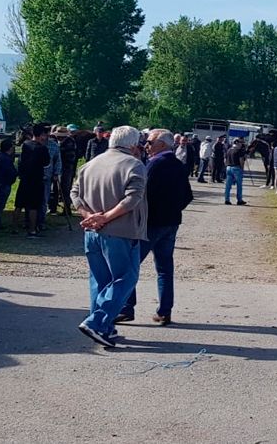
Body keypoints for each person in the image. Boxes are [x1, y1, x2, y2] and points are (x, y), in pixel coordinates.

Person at [71, 125, 148, 348]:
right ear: (133, 145)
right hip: (120, 230)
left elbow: (75, 193)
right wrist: (105, 217)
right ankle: (97, 322)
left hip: (92, 230)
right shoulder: (134, 165)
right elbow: (132, 199)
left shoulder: (90, 164)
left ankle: (104, 327)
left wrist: (89, 215)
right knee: (126, 277)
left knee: (99, 280)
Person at [118, 129, 193, 326]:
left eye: (150, 142)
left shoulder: (154, 164)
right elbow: (188, 195)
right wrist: (173, 209)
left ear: (162, 144)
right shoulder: (178, 164)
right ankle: (164, 311)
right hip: (171, 222)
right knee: (165, 269)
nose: (146, 146)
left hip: (151, 224)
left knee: (129, 265)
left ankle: (126, 307)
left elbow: (142, 193)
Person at [16, 125, 51, 238]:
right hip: (36, 179)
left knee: (19, 204)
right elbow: (46, 163)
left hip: (24, 178)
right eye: (44, 135)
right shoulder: (42, 148)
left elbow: (20, 161)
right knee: (33, 206)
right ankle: (32, 230)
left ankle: (14, 228)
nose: (45, 137)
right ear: (41, 135)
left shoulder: (25, 145)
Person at [0, 139, 18, 229]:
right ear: (10, 148)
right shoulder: (6, 159)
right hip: (3, 183)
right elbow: (9, 172)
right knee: (0, 203)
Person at [57, 127, 79, 216]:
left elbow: (70, 157)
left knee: (65, 188)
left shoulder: (69, 142)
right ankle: (65, 208)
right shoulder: (63, 142)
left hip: (67, 168)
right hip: (63, 167)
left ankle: (67, 209)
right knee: (62, 188)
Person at [224, 138, 247, 206]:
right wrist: (242, 168)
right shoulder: (238, 151)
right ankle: (239, 200)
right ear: (237, 143)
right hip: (236, 168)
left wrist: (226, 166)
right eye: (240, 143)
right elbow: (241, 160)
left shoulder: (229, 150)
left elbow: (225, 159)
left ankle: (227, 199)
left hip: (228, 167)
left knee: (228, 185)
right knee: (239, 185)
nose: (241, 145)